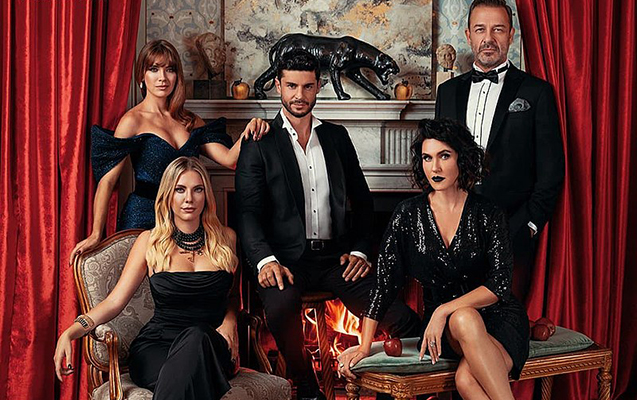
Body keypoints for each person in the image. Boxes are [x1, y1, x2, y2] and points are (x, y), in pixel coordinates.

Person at [235, 49, 420, 400]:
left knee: (403, 318)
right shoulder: (260, 142)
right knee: (280, 307)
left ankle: (391, 389)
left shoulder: (337, 137)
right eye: (291, 86)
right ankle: (306, 385)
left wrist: (360, 250)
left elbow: (363, 202)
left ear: (318, 86)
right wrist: (265, 260)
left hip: (336, 260)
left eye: (307, 86)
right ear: (278, 86)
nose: (299, 95)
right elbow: (247, 212)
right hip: (285, 261)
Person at [338, 119, 530, 400]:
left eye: (444, 156)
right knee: (463, 318)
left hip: (499, 321)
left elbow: (499, 286)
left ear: (462, 159)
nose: (435, 168)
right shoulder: (407, 214)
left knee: (466, 380)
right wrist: (364, 346)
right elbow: (383, 286)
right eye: (427, 158)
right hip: (447, 332)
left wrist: (442, 311)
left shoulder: (489, 213)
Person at [55, 156, 240, 399]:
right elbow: (114, 302)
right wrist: (70, 332)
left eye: (198, 190)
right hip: (157, 346)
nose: (189, 199)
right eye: (180, 190)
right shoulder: (149, 241)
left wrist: (230, 321)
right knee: (185, 375)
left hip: (211, 346)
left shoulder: (226, 239)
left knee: (197, 337)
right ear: (167, 195)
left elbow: (232, 297)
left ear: (206, 195)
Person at [70, 39, 269, 263]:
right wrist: (96, 233)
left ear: (177, 76)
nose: (162, 77)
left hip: (186, 217)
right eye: (154, 69)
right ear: (142, 76)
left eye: (170, 70)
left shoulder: (190, 120)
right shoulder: (132, 121)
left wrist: (250, 130)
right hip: (144, 217)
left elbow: (229, 159)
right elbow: (107, 181)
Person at [435, 0, 565, 301]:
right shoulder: (447, 92)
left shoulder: (536, 92)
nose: (488, 38)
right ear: (468, 35)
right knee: (456, 316)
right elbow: (436, 160)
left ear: (511, 35)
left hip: (512, 229)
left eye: (498, 29)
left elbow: (551, 169)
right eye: (480, 29)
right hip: (453, 231)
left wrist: (529, 225)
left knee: (505, 319)